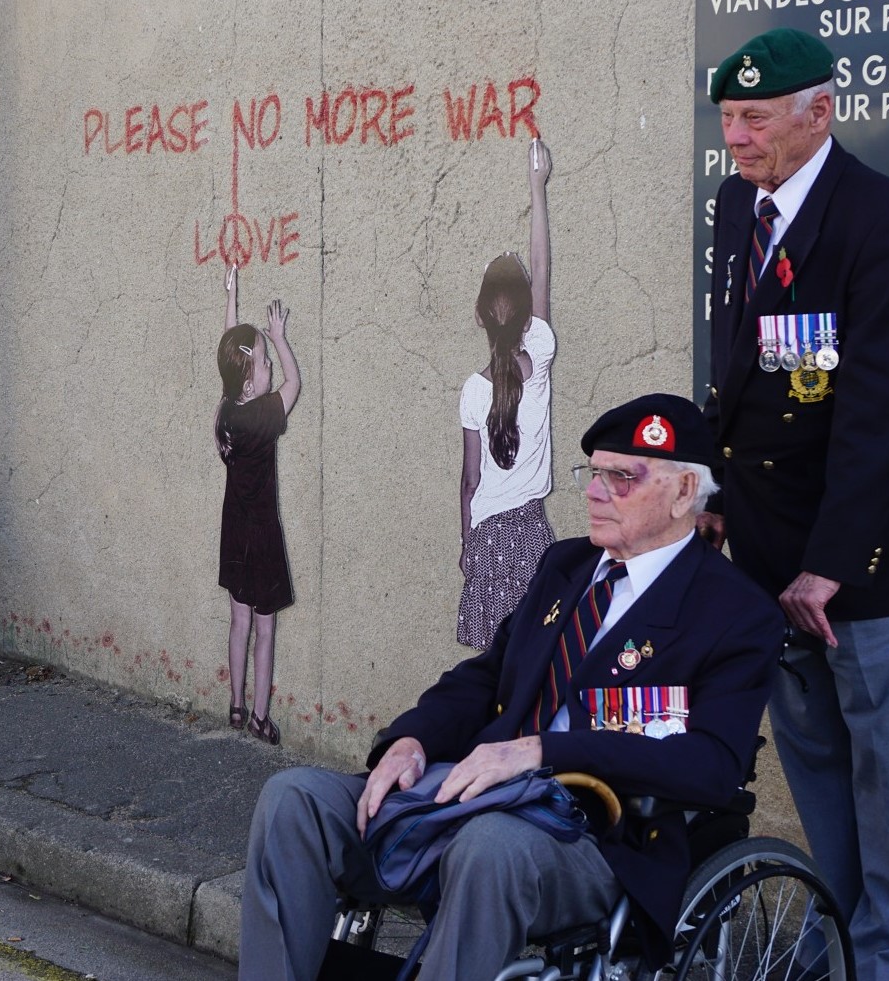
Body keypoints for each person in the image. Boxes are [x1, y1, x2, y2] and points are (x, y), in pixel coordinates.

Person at [240, 394, 782, 981]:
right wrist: (412, 739)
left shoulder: (732, 611)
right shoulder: (566, 566)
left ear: (683, 494)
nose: (596, 493)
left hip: (596, 839)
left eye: (621, 478)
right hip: (471, 795)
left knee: (489, 845)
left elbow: (711, 766)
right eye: (593, 474)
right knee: (295, 800)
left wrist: (541, 751)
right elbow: (487, 676)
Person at [698, 27, 889, 981]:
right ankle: (835, 939)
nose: (737, 137)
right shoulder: (736, 206)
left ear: (819, 114)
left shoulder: (877, 221)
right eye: (727, 117)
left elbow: (879, 409)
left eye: (755, 118)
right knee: (820, 778)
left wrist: (831, 560)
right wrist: (711, 488)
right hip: (766, 557)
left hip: (863, 570)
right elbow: (738, 366)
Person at [457, 137, 557, 650]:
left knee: (493, 664)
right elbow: (541, 273)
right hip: (530, 533)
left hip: (487, 535)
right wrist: (536, 189)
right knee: (535, 658)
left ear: (478, 316)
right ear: (525, 317)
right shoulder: (537, 358)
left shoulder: (473, 390)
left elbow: (471, 479)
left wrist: (467, 541)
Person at [216, 263, 302, 745]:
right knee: (264, 629)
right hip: (262, 535)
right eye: (263, 363)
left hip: (234, 530)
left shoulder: (228, 410)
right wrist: (279, 337)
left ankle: (234, 705)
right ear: (251, 382)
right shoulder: (266, 414)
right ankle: (260, 718)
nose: (269, 366)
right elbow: (294, 382)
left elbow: (231, 355)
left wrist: (231, 300)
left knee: (238, 620)